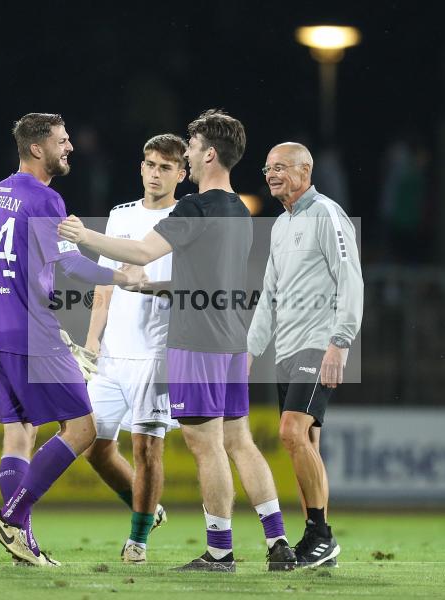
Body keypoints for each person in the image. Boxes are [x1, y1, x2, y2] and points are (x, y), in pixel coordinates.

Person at [59, 109, 297, 572]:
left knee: (205, 446)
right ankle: (278, 540)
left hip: (195, 342)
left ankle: (220, 551)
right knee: (239, 441)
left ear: (208, 154)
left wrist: (82, 234)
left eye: (191, 145)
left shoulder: (197, 206)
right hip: (232, 339)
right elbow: (214, 280)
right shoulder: (239, 210)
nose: (186, 150)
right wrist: (155, 288)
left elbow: (142, 251)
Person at [0, 113, 147, 567]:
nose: (69, 147)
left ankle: (22, 545)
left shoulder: (0, 191)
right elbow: (71, 265)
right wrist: (122, 275)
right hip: (29, 328)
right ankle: (12, 519)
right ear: (37, 148)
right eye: (62, 140)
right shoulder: (44, 197)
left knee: (19, 435)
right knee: (83, 428)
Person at [247, 142, 363, 568]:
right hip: (287, 347)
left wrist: (341, 341)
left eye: (281, 167)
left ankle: (321, 533)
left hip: (319, 342)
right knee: (307, 441)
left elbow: (351, 279)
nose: (271, 174)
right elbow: (269, 297)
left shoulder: (327, 214)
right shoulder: (280, 225)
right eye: (268, 167)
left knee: (292, 432)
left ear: (305, 170)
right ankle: (319, 544)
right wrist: (251, 350)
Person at [82, 134, 187, 563]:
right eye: (149, 164)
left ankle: (138, 540)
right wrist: (93, 337)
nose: (155, 173)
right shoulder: (120, 215)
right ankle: (147, 509)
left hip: (155, 353)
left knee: (147, 448)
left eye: (165, 166)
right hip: (112, 353)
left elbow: (195, 288)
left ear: (182, 173)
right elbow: (105, 281)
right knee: (93, 445)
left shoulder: (188, 218)